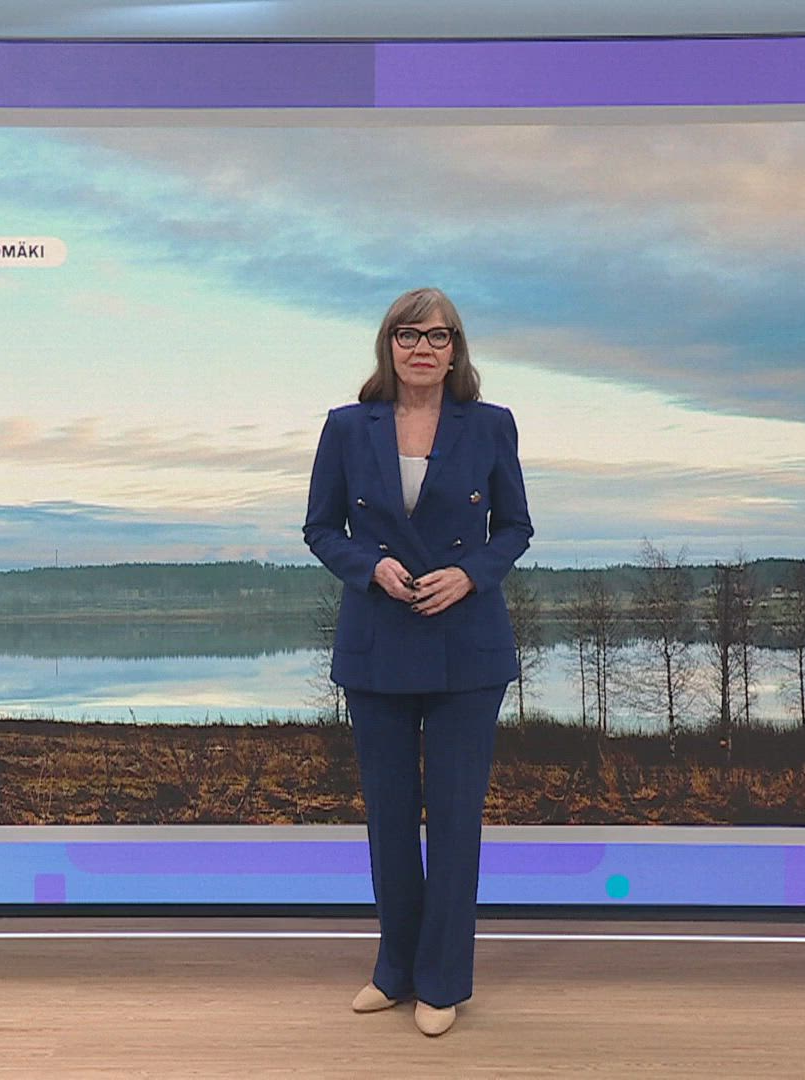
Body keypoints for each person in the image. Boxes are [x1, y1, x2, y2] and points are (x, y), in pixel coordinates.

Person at [302, 287, 533, 1037]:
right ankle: (395, 971)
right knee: (390, 823)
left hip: (467, 646)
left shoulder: (491, 425)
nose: (422, 348)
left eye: (437, 336)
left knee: (457, 823)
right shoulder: (347, 427)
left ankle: (442, 982)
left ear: (455, 348)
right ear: (389, 345)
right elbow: (320, 528)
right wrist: (369, 566)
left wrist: (470, 574)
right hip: (378, 641)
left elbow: (515, 528)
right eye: (408, 335)